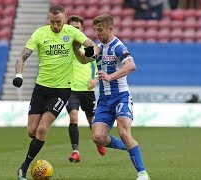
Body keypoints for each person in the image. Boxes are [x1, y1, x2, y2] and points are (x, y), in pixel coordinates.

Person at [12, 4, 100, 180]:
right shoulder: (40, 33)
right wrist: (19, 75)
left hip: (61, 89)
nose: (56, 26)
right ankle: (36, 148)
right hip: (41, 88)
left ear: (65, 18)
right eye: (52, 22)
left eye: (59, 22)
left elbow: (93, 46)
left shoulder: (72, 32)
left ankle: (23, 168)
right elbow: (22, 56)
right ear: (48, 19)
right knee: (32, 131)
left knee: (42, 129)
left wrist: (91, 51)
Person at [73, 14, 150, 180]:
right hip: (104, 101)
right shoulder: (98, 47)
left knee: (123, 131)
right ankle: (128, 146)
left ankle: (142, 173)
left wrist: (111, 76)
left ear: (110, 28)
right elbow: (83, 59)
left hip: (121, 96)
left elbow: (131, 65)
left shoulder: (118, 47)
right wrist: (75, 48)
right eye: (95, 30)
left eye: (100, 30)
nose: (97, 34)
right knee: (98, 137)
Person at [65, 15, 106, 163]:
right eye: (72, 28)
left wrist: (96, 79)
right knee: (73, 117)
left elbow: (98, 65)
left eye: (77, 28)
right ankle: (75, 151)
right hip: (70, 89)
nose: (74, 30)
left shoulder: (88, 49)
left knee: (92, 122)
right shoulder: (64, 48)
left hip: (87, 90)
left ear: (82, 30)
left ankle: (98, 141)